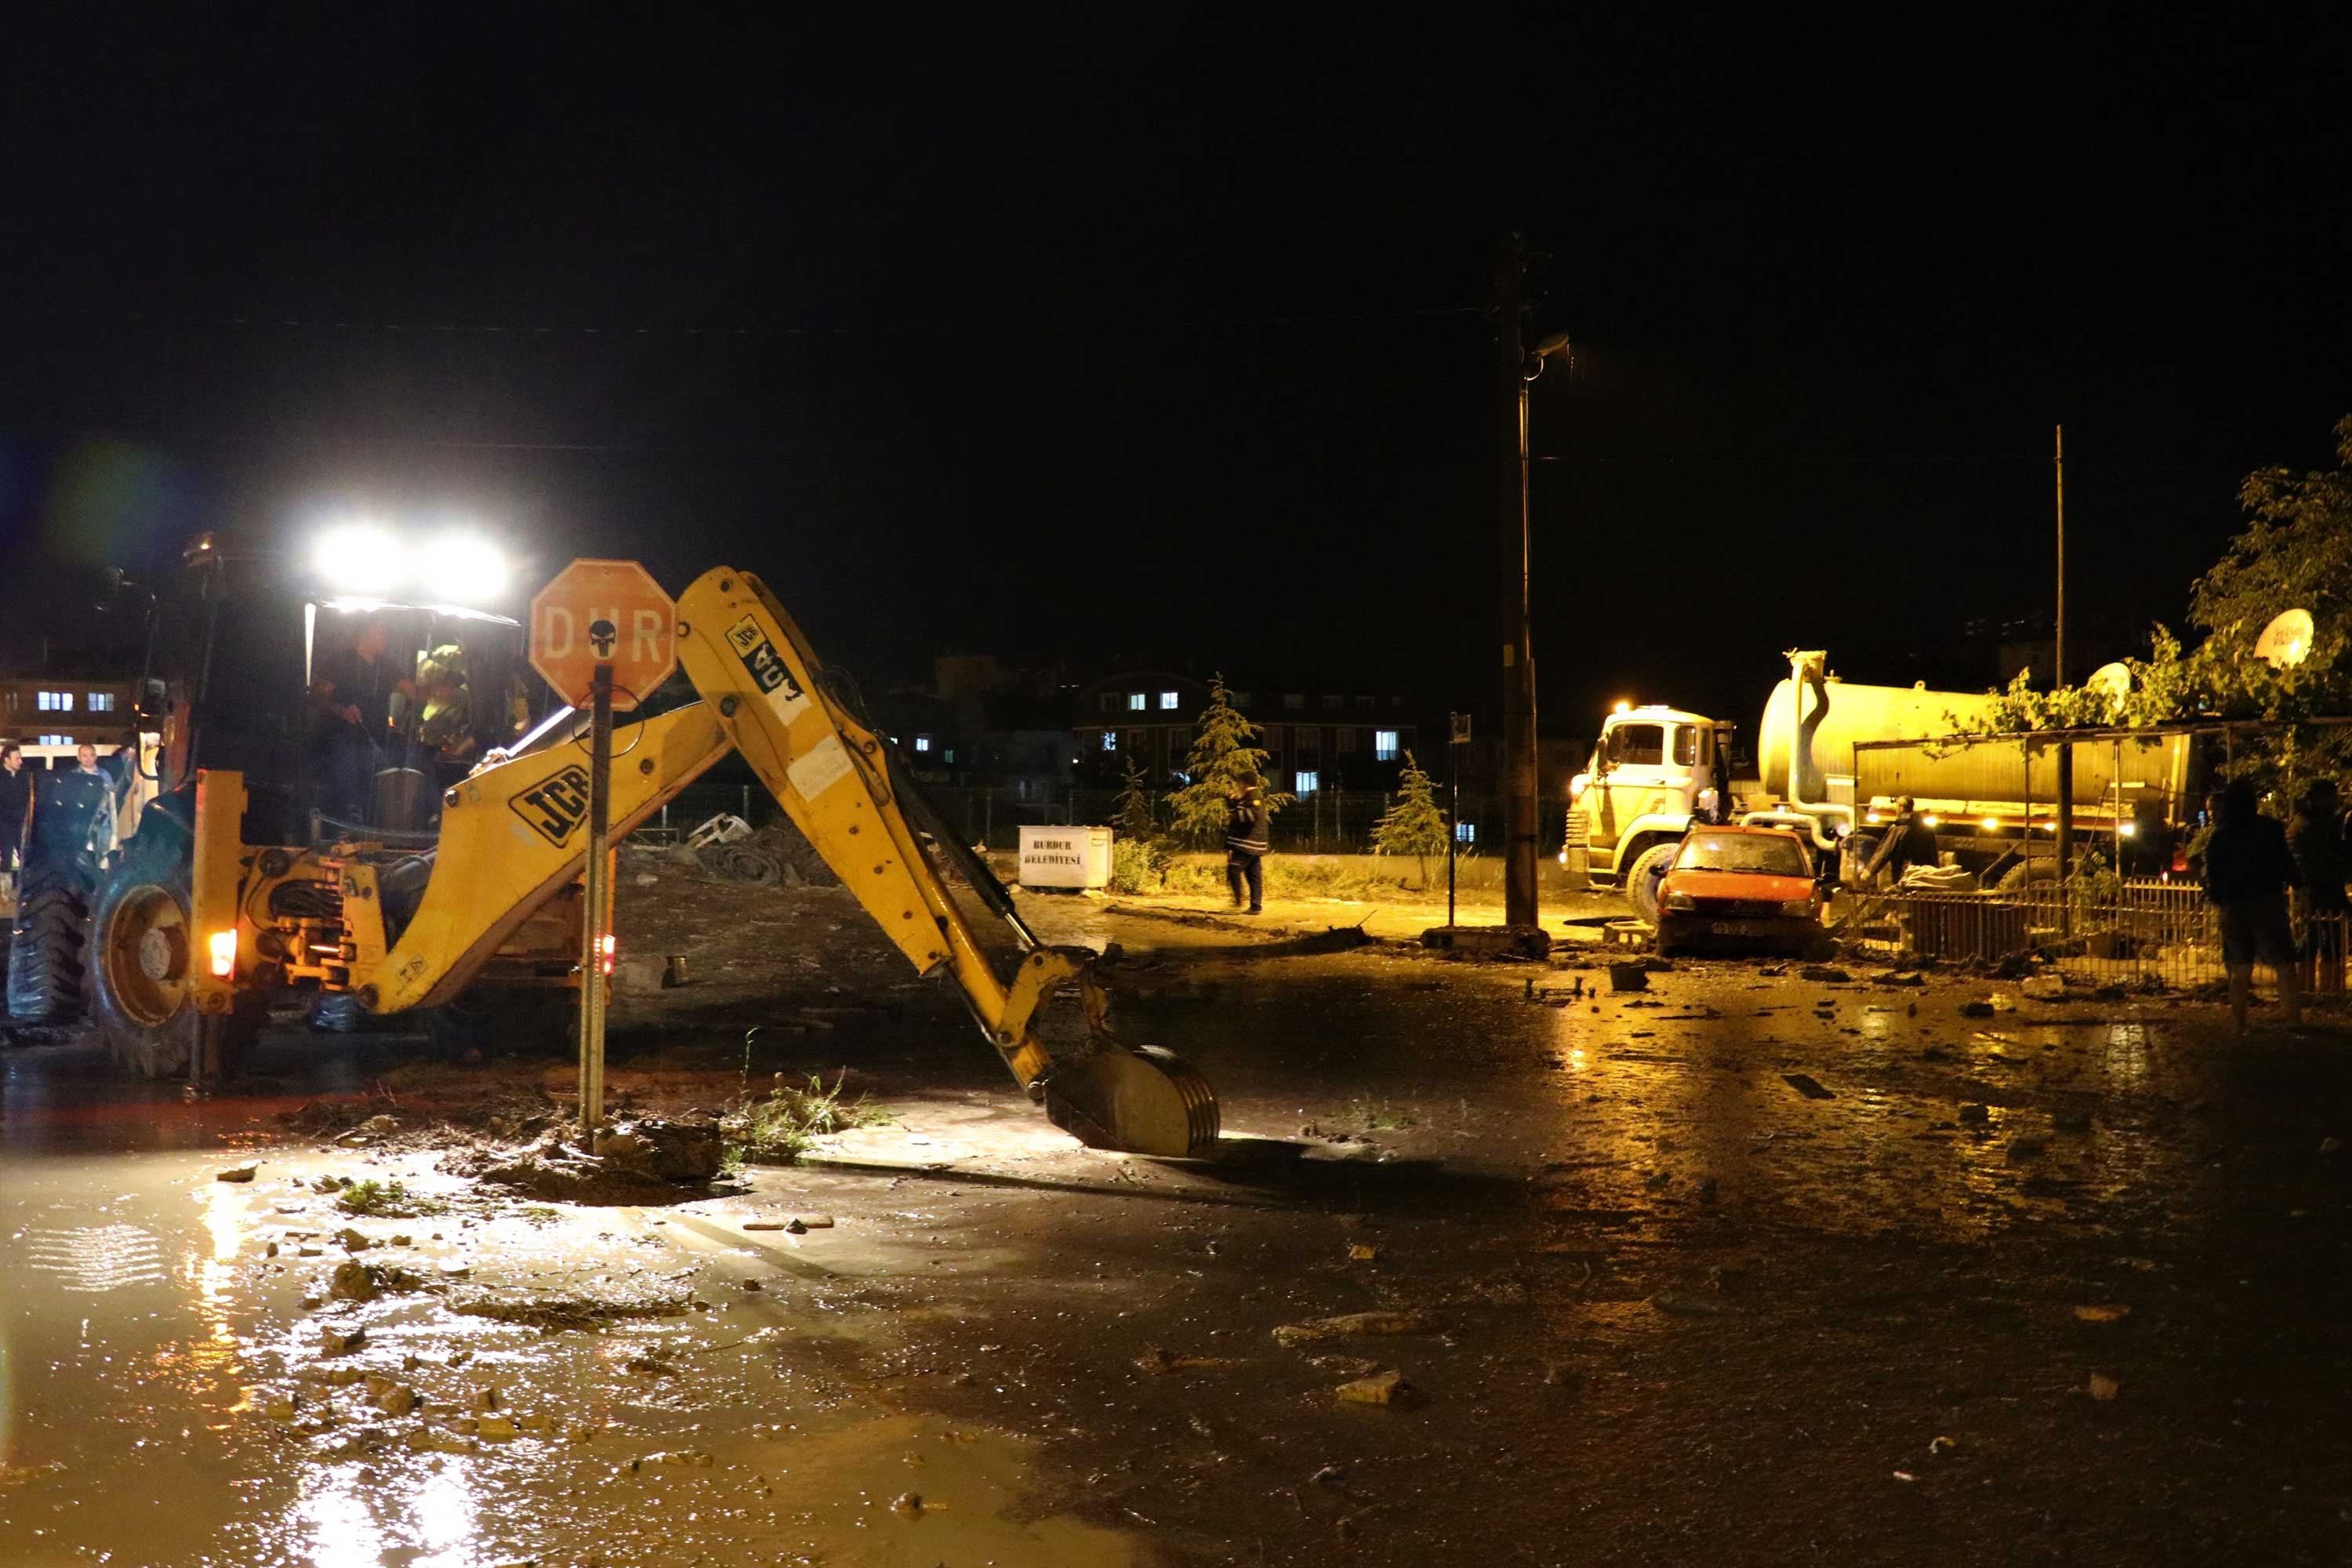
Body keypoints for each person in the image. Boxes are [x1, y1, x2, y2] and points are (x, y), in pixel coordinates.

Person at [2201, 778, 2303, 1036]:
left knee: (2239, 966)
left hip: (2233, 905)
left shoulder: (2220, 836)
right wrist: (2299, 886)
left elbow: (2213, 874)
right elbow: (2284, 860)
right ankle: (2292, 1019)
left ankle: (2239, 1024)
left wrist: (2218, 898)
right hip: (2266, 901)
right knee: (2283, 962)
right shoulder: (2268, 829)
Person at [311, 619, 412, 821]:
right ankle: (352, 813)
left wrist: (437, 690)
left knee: (409, 757)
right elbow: (316, 699)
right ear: (368, 631)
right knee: (346, 754)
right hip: (340, 742)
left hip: (375, 744)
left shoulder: (386, 666)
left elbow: (414, 692)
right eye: (382, 629)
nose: (386, 635)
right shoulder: (339, 663)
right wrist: (341, 710)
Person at [2287, 779, 2350, 996]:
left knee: (2323, 942)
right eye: (2331, 798)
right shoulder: (2311, 826)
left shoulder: (2306, 823)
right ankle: (2322, 990)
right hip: (2316, 892)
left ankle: (2322, 989)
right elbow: (2324, 859)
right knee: (2316, 942)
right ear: (2318, 799)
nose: (2335, 802)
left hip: (2316, 891)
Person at [1864, 796, 1938, 887]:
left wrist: (1869, 872)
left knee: (1904, 897)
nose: (1896, 810)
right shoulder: (1927, 829)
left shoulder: (1898, 829)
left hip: (1905, 875)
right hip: (1924, 876)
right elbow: (1933, 852)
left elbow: (1884, 851)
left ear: (1902, 808)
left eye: (1897, 807)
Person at [1224, 780, 1270, 915]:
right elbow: (1240, 810)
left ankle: (1238, 900)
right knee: (1253, 874)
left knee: (1234, 869)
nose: (1238, 785)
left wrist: (1231, 817)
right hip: (1253, 843)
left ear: (1245, 783)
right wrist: (1232, 802)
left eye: (1239, 783)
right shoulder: (1249, 798)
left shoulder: (1254, 797)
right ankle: (1255, 906)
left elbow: (1250, 816)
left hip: (1247, 843)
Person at [0, 742, 30, 874]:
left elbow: (29, 797)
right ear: (7, 760)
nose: (20, 761)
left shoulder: (24, 775)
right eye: (17, 758)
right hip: (4, 824)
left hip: (22, 823)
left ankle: (23, 888)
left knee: (26, 857)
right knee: (6, 857)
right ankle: (5, 889)